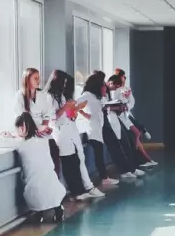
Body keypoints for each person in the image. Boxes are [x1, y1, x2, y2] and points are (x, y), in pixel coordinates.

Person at [0, 112, 66, 224]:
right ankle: (58, 210)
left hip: (34, 191)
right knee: (51, 187)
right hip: (54, 188)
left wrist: (6, 136)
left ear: (22, 128)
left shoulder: (20, 143)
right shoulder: (43, 139)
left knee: (35, 193)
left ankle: (38, 213)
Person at [44, 71, 104, 200]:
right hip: (60, 132)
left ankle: (81, 189)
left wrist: (74, 112)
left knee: (76, 160)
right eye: (63, 82)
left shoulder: (61, 96)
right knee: (68, 162)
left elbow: (67, 115)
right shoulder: (49, 97)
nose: (65, 85)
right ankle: (76, 191)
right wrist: (66, 107)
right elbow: (52, 117)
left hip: (70, 129)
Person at [77, 74, 124, 186]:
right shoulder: (87, 96)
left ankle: (105, 177)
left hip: (98, 128)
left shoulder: (96, 97)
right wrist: (84, 114)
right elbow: (76, 105)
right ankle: (104, 178)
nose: (105, 87)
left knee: (99, 154)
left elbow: (97, 110)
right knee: (98, 155)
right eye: (102, 84)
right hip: (92, 130)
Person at [113, 69, 157, 168]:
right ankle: (143, 160)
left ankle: (145, 160)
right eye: (122, 77)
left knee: (137, 135)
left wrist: (127, 103)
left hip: (127, 114)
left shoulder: (126, 88)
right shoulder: (116, 90)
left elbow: (131, 101)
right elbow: (119, 102)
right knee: (134, 136)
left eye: (124, 77)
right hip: (121, 117)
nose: (124, 79)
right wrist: (126, 101)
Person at [103, 74, 144, 179]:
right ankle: (125, 170)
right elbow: (104, 107)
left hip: (119, 119)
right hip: (111, 122)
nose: (116, 89)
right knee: (118, 148)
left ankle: (131, 169)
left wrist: (124, 103)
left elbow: (129, 103)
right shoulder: (104, 91)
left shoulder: (116, 91)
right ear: (110, 83)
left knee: (127, 144)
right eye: (115, 86)